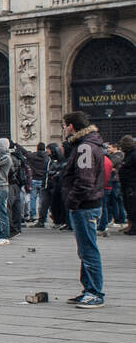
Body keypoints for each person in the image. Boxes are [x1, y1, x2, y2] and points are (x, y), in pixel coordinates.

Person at [61, 112, 107, 307]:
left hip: (85, 206)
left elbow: (85, 181)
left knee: (88, 250)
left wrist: (72, 200)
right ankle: (88, 289)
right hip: (87, 205)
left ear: (71, 126)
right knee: (85, 250)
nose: (64, 129)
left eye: (65, 125)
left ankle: (95, 292)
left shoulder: (85, 148)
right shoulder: (87, 145)